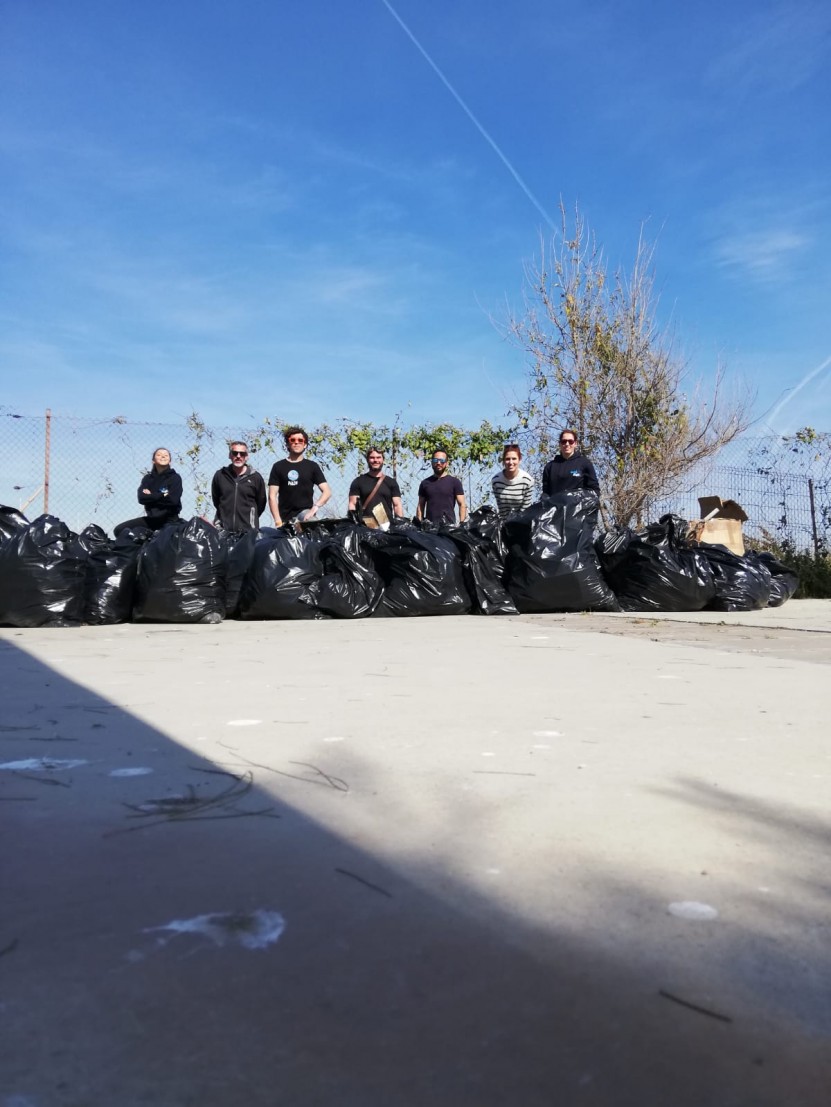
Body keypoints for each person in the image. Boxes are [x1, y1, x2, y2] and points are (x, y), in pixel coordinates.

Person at [268, 426, 332, 526]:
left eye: (300, 440)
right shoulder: (278, 467)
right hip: (285, 518)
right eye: (292, 440)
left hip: (305, 515)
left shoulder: (312, 466)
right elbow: (272, 496)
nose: (296, 442)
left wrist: (314, 509)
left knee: (314, 526)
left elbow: (327, 492)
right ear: (287, 444)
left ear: (305, 444)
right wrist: (277, 521)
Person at [114, 447, 182, 536]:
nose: (163, 457)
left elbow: (173, 500)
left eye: (166, 455)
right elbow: (141, 498)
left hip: (169, 521)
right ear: (153, 460)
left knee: (166, 540)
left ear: (170, 461)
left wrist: (151, 495)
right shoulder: (148, 479)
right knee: (119, 530)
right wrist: (163, 494)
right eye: (159, 455)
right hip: (151, 520)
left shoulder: (174, 478)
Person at [211, 441, 266, 532]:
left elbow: (261, 503)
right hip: (223, 530)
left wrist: (251, 520)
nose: (238, 456)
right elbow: (216, 500)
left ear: (247, 456)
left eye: (242, 454)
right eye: (235, 453)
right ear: (230, 455)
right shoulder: (220, 475)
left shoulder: (256, 477)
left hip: (248, 532)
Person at [347, 447, 404, 527]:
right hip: (365, 527)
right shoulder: (358, 482)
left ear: (383, 460)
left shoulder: (391, 482)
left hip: (386, 527)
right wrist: (353, 524)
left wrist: (400, 525)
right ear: (367, 460)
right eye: (372, 458)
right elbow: (352, 504)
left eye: (378, 457)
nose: (375, 460)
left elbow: (397, 505)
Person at [541, 429, 600, 496]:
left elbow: (595, 491)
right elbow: (545, 494)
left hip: (579, 506)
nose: (567, 444)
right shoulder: (550, 467)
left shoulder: (585, 463)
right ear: (560, 444)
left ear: (575, 443)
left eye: (570, 441)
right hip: (555, 506)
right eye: (564, 441)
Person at [417, 449, 467, 525]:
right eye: (435, 460)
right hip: (429, 529)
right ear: (432, 462)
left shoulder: (455, 482)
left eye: (442, 460)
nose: (438, 463)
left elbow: (462, 504)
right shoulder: (425, 483)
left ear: (447, 463)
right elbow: (421, 505)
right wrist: (419, 524)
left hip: (448, 528)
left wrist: (462, 524)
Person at [492, 443, 534, 518]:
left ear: (519, 460)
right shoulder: (496, 481)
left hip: (522, 522)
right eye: (507, 459)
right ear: (503, 461)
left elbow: (526, 509)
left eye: (514, 459)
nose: (511, 462)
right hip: (504, 523)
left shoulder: (527, 480)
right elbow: (501, 509)